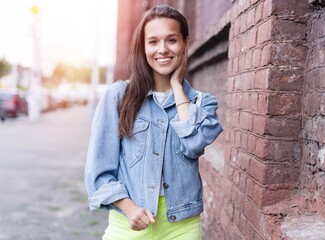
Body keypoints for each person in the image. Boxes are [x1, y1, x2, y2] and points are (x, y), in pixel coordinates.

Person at [84, 4, 223, 240]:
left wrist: (178, 88)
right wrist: (129, 208)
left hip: (182, 227)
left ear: (186, 43)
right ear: (143, 46)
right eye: (153, 42)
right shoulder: (118, 97)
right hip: (129, 223)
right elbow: (98, 170)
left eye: (171, 40)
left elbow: (194, 145)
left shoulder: (202, 103)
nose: (162, 50)